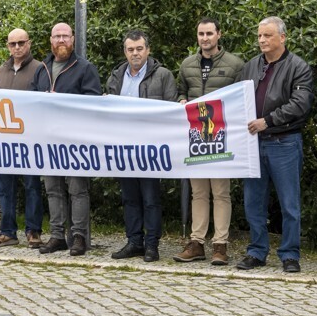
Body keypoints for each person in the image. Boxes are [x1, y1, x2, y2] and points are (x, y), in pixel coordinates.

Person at [237, 17, 315, 273]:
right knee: (253, 201)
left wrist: (267, 121)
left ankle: (290, 254)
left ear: (282, 37)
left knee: (289, 203)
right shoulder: (250, 67)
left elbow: (300, 104)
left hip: (284, 142)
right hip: (252, 144)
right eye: (259, 36)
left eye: (267, 35)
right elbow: (238, 99)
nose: (262, 40)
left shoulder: (298, 67)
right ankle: (257, 251)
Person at [174, 17, 244, 265]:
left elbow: (241, 98)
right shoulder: (187, 64)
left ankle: (220, 245)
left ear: (219, 35)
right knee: (198, 192)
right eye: (201, 34)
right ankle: (196, 243)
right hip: (195, 136)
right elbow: (181, 90)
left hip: (222, 136)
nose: (205, 38)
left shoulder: (235, 64)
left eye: (209, 34)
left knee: (221, 192)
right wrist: (182, 99)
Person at [105, 30, 178, 262]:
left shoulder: (163, 76)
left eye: (139, 49)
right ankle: (134, 241)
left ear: (148, 50)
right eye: (130, 49)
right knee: (129, 198)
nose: (135, 53)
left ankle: (152, 245)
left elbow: (172, 110)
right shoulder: (116, 76)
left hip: (150, 148)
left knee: (150, 198)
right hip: (124, 147)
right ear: (124, 51)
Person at [31, 22, 101, 256]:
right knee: (53, 189)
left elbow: (93, 103)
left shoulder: (84, 67)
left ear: (73, 39)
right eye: (57, 36)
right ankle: (57, 235)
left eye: (65, 36)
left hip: (75, 140)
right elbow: (30, 101)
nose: (61, 40)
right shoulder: (42, 68)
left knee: (77, 189)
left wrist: (61, 99)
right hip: (48, 140)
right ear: (50, 40)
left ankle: (79, 236)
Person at [0, 28, 44, 249]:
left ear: (29, 43)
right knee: (5, 188)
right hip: (4, 140)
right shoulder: (0, 71)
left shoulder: (40, 69)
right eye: (13, 44)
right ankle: (7, 232)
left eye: (21, 42)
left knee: (31, 186)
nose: (17, 47)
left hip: (30, 139)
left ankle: (33, 231)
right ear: (7, 46)